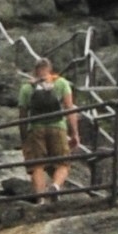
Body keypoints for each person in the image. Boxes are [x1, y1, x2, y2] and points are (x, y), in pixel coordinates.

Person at [18, 50, 82, 200]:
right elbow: (69, 108)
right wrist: (75, 133)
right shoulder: (61, 83)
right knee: (63, 163)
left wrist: (24, 138)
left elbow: (22, 115)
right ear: (50, 68)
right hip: (58, 127)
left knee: (37, 166)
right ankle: (55, 186)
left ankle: (40, 198)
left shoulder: (27, 88)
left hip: (35, 129)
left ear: (35, 70)